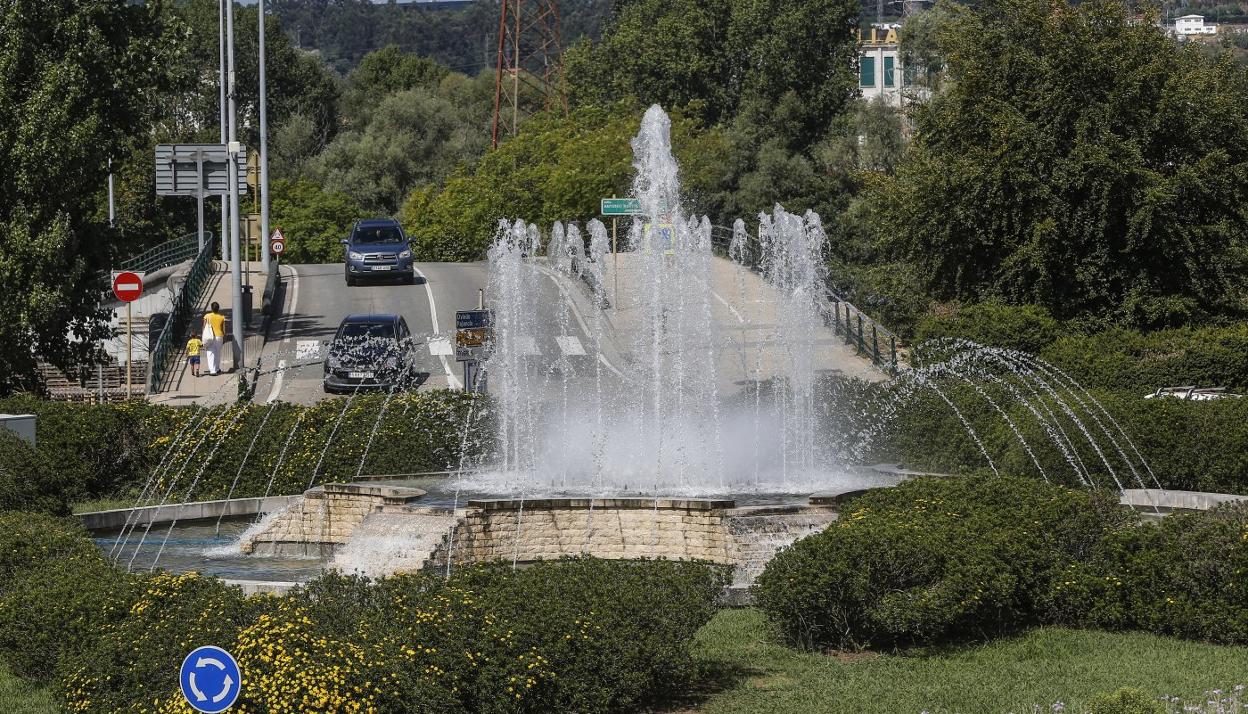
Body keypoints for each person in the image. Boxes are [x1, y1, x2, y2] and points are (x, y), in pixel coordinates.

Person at [203, 302, 226, 375]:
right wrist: (224, 336)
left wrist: (203, 336)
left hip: (210, 336)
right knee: (218, 352)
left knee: (210, 352)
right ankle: (217, 368)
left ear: (211, 308)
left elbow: (204, 327)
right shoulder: (222, 317)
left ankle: (212, 370)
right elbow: (224, 329)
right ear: (218, 308)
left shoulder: (207, 316)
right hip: (219, 336)